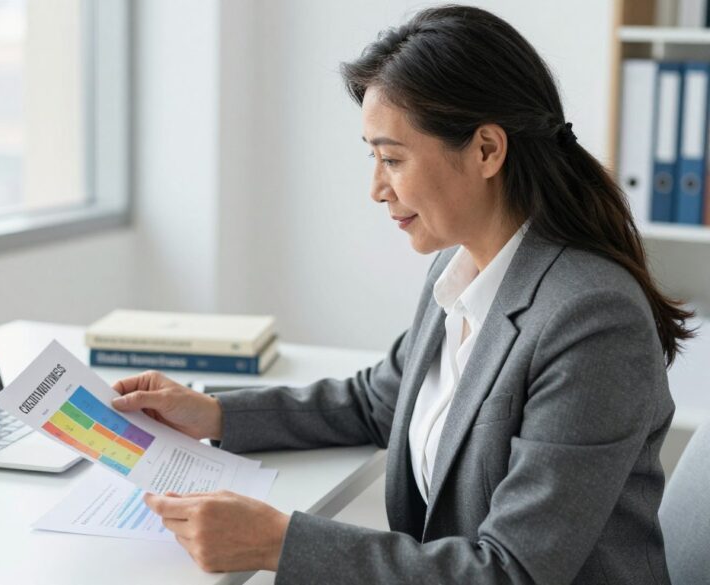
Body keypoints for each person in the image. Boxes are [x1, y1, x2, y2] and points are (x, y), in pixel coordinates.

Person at [111, 5, 694, 584]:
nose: (376, 188)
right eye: (374, 157)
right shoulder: (460, 269)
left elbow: (511, 572)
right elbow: (376, 402)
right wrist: (214, 414)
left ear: (487, 150)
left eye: (392, 159)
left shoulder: (592, 320)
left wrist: (276, 543)